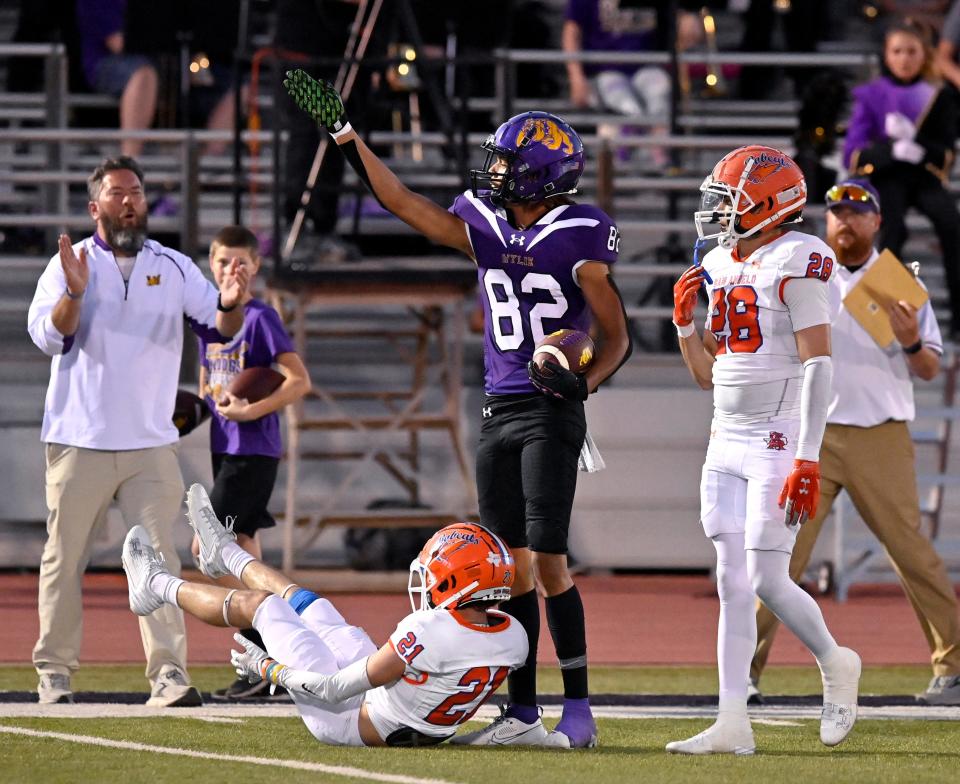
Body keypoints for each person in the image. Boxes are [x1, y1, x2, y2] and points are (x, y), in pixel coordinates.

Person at [283, 68, 632, 748]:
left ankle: (580, 709)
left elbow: (616, 336)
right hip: (498, 410)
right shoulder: (483, 223)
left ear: (541, 175)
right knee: (511, 568)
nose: (494, 172)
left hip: (549, 411)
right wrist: (347, 136)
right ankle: (525, 713)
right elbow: (403, 203)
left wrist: (583, 384)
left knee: (552, 562)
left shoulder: (581, 231)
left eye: (507, 162)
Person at [26, 156, 250, 705]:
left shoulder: (173, 266)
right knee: (64, 560)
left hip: (151, 443)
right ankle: (54, 672)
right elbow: (46, 339)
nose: (129, 201)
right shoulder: (68, 264)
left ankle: (169, 674)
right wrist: (74, 295)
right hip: (80, 438)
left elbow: (216, 324)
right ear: (94, 206)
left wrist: (233, 302)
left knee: (162, 566)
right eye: (117, 192)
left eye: (137, 192)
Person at [668, 146, 861, 754]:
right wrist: (682, 328)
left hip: (777, 438)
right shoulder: (723, 262)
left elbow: (819, 364)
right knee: (730, 581)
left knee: (769, 580)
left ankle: (836, 661)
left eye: (730, 200)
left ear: (769, 205)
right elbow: (707, 375)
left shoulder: (798, 257)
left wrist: (809, 455)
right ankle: (732, 721)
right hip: (724, 437)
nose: (718, 211)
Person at [749, 179, 960, 707]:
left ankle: (953, 667)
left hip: (878, 435)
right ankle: (742, 672)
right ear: (825, 221)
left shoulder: (897, 283)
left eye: (857, 213)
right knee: (779, 556)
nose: (846, 221)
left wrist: (909, 337)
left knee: (911, 553)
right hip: (808, 433)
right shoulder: (801, 271)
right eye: (837, 212)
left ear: (876, 221)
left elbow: (930, 366)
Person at [122, 485, 527, 746]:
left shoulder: (428, 630)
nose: (426, 577)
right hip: (390, 710)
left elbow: (332, 690)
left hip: (347, 720)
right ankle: (224, 554)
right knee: (313, 606)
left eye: (435, 570)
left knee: (262, 606)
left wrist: (268, 669)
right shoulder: (514, 636)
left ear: (457, 580)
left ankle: (154, 585)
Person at [194, 225, 312, 700]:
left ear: (257, 266)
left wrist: (249, 410)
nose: (231, 271)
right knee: (242, 549)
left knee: (209, 547)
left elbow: (299, 380)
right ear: (211, 262)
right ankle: (262, 665)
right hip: (226, 445)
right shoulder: (210, 317)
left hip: (253, 447)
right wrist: (202, 400)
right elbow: (210, 375)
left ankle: (269, 643)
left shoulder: (261, 317)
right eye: (224, 263)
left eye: (241, 263)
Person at [844, 17, 960, 336]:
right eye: (897, 51)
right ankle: (880, 315)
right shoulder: (871, 94)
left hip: (923, 176)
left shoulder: (940, 95)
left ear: (924, 55)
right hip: (886, 176)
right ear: (886, 54)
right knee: (892, 229)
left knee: (951, 224)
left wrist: (919, 147)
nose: (904, 59)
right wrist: (889, 150)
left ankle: (957, 317)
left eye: (911, 51)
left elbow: (946, 150)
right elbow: (853, 152)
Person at [75, 0, 160, 158]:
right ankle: (129, 161)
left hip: (155, 62)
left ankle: (208, 165)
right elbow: (118, 43)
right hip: (105, 63)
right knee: (144, 73)